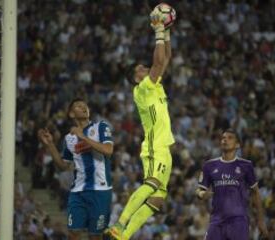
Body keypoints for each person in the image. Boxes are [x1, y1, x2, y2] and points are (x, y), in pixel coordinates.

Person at [104, 7, 175, 240]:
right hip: (156, 143)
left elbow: (164, 61)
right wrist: (158, 31)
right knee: (151, 184)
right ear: (136, 77)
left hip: (163, 145)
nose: (145, 68)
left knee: (157, 199)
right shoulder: (142, 88)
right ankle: (120, 223)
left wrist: (166, 33)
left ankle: (123, 236)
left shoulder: (153, 85)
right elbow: (157, 64)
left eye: (145, 67)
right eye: (140, 69)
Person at [38, 98, 114, 240]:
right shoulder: (69, 138)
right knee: (73, 233)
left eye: (85, 105)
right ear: (72, 114)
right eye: (79, 106)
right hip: (78, 191)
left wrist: (83, 137)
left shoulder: (101, 127)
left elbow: (108, 150)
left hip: (100, 190)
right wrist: (50, 145)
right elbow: (63, 166)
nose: (84, 107)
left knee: (95, 236)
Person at [196, 129, 269, 240]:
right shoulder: (209, 165)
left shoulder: (246, 165)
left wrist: (260, 221)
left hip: (238, 222)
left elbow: (256, 192)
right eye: (223, 138)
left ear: (237, 145)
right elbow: (199, 190)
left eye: (230, 138)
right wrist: (202, 194)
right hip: (216, 221)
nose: (225, 140)